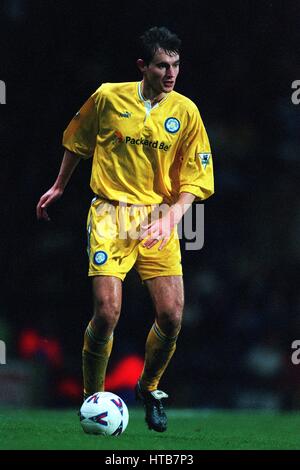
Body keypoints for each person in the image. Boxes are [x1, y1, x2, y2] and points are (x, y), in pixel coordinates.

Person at [36, 26, 214, 432]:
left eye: (176, 65)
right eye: (162, 65)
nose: (171, 73)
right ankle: (92, 398)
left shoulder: (186, 112)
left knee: (171, 316)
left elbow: (196, 179)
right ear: (142, 66)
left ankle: (149, 388)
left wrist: (171, 217)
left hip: (158, 217)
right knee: (107, 312)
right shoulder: (108, 97)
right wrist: (60, 185)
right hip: (109, 214)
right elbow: (77, 140)